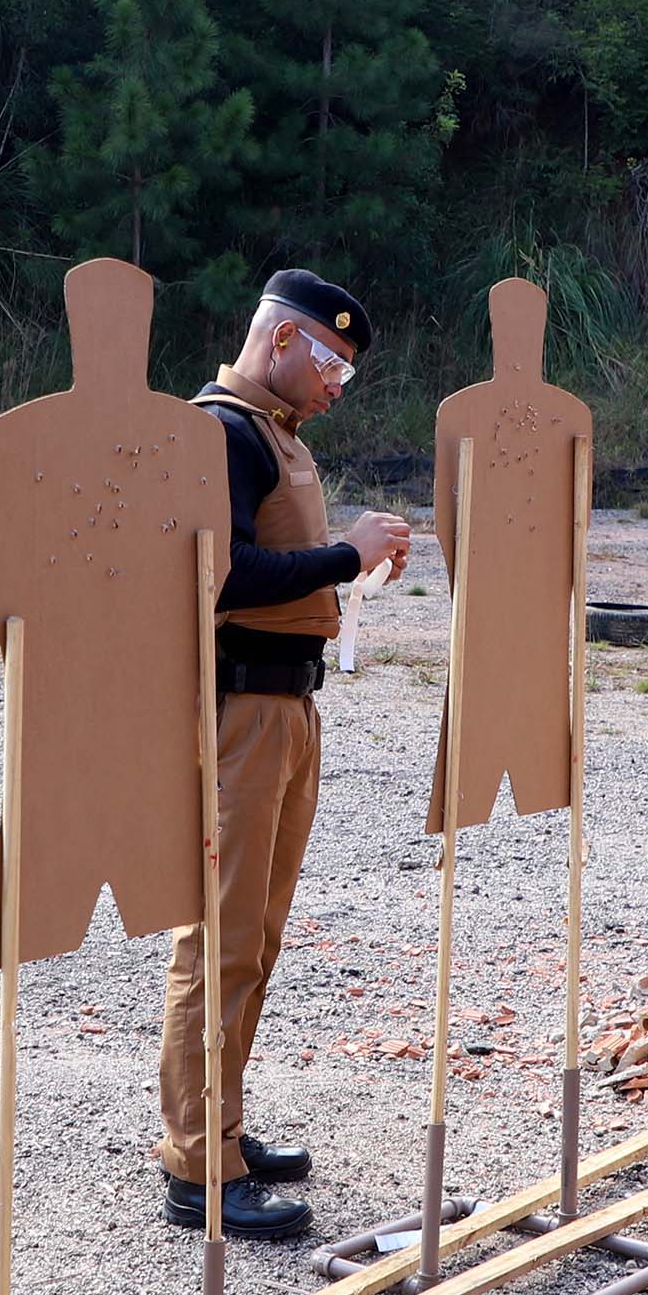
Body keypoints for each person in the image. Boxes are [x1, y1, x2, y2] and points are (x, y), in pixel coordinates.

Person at [153, 269, 409, 1238]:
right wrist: (345, 554)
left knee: (252, 938)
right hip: (240, 709)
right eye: (334, 359)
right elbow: (220, 580)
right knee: (218, 940)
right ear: (285, 341)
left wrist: (352, 562)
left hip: (286, 708)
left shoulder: (272, 435)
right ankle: (195, 1164)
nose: (341, 379)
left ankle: (222, 1129)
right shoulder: (220, 431)